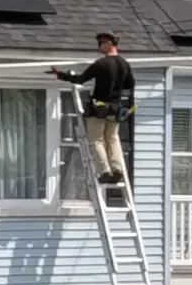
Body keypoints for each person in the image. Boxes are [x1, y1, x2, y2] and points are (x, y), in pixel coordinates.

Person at [49, 34, 135, 187]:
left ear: (109, 43)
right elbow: (130, 84)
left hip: (99, 107)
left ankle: (105, 171)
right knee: (112, 139)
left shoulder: (101, 64)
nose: (98, 46)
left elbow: (81, 79)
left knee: (97, 140)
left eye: (101, 43)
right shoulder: (124, 64)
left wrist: (59, 74)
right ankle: (117, 169)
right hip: (115, 108)